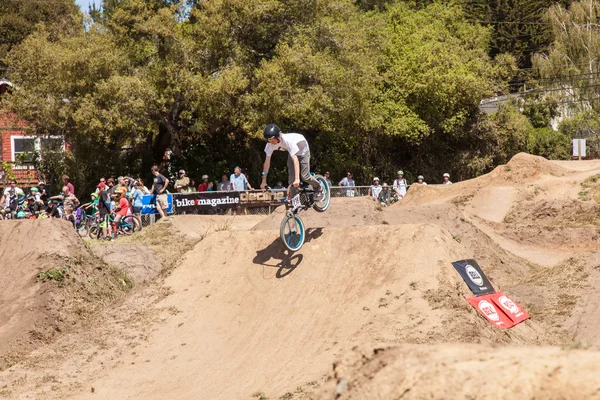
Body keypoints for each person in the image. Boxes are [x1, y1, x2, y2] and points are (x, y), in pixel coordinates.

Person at [260, 124, 322, 199]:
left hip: (303, 151)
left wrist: (297, 179)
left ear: (278, 136)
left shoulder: (288, 141)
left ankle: (318, 187)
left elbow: (295, 161)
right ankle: (294, 199)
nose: (271, 142)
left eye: (272, 140)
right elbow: (267, 163)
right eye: (268, 140)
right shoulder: (269, 145)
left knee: (305, 176)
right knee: (291, 180)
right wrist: (263, 181)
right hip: (292, 151)